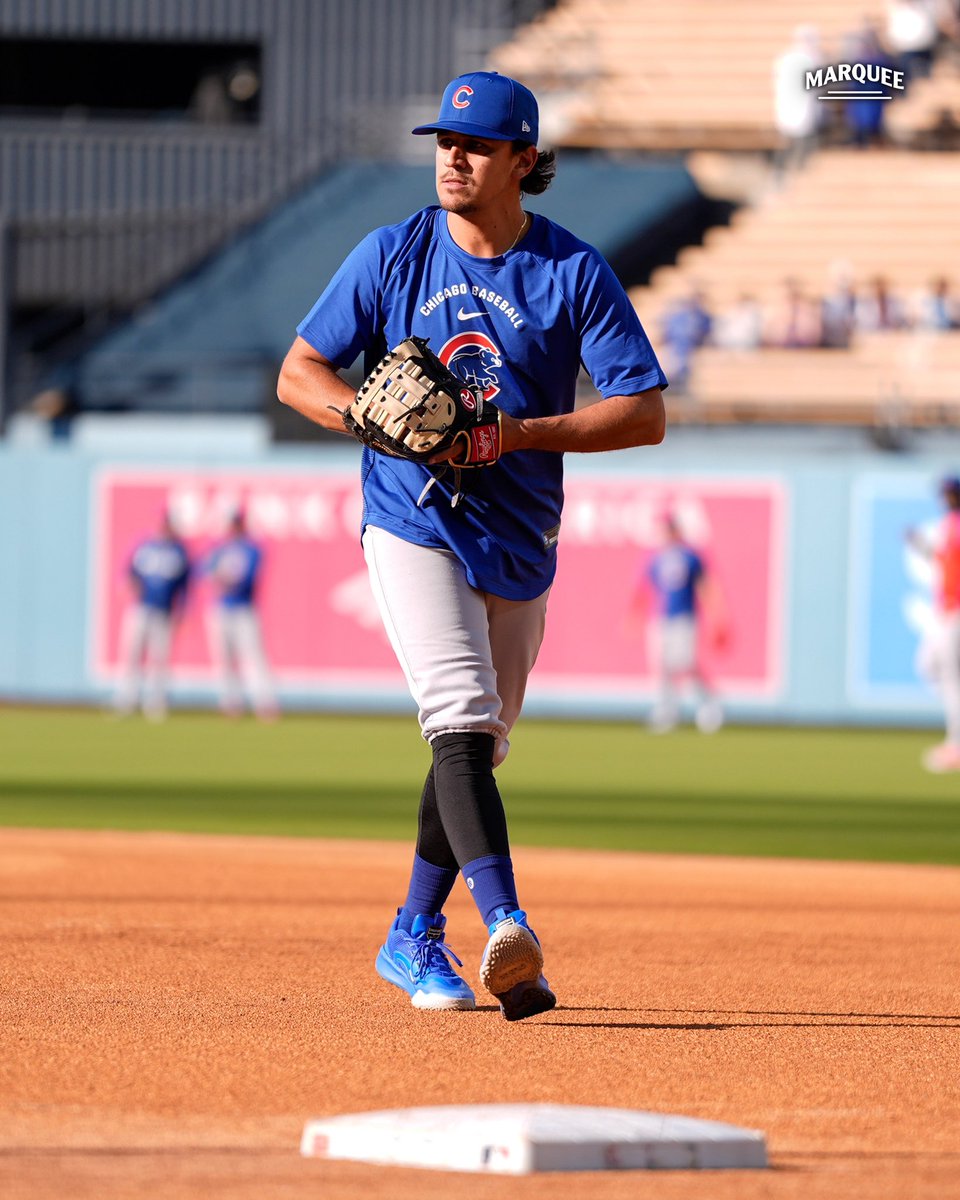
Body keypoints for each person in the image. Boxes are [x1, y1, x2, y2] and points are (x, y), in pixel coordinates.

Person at [277, 71, 666, 1020]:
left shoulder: (572, 272)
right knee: (456, 716)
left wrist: (514, 434)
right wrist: (364, 424)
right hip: (411, 516)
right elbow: (300, 371)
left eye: (478, 145)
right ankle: (507, 927)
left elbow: (644, 412)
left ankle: (411, 933)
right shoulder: (392, 253)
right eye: (445, 141)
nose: (454, 157)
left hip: (520, 532)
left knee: (478, 744)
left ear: (523, 162)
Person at [628, 513, 729, 734]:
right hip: (661, 618)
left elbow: (705, 587)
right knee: (661, 666)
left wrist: (716, 617)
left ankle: (709, 703)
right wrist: (635, 616)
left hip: (685, 617)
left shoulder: (690, 556)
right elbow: (644, 589)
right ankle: (666, 710)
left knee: (685, 663)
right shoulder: (655, 558)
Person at [201, 508, 278, 721]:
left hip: (244, 609)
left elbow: (247, 580)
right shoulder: (219, 547)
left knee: (254, 657)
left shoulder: (251, 549)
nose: (234, 527)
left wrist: (223, 580)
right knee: (223, 659)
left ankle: (265, 704)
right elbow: (204, 571)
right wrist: (216, 576)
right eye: (232, 523)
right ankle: (230, 704)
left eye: (237, 523)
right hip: (221, 608)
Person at [113, 510, 190, 721]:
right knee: (131, 655)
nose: (164, 527)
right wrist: (128, 583)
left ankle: (156, 704)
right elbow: (127, 572)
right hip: (141, 608)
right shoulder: (144, 545)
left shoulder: (179, 551)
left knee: (160, 660)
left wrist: (181, 610)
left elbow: (185, 586)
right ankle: (126, 700)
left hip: (164, 611)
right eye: (163, 523)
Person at [908, 477, 960, 772]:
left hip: (956, 610)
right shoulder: (949, 524)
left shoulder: (956, 523)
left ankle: (957, 744)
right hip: (944, 610)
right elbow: (943, 559)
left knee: (952, 678)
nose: (947, 499)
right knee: (927, 666)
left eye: (952, 494)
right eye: (946, 495)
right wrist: (923, 547)